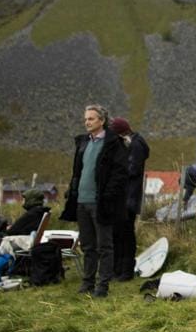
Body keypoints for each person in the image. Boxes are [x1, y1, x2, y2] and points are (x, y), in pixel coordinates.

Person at [60, 104, 130, 297]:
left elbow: (120, 174)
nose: (87, 122)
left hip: (101, 204)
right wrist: (73, 191)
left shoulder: (114, 143)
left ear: (102, 120)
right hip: (82, 201)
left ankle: (102, 286)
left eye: (91, 119)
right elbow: (78, 171)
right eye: (85, 119)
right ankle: (87, 283)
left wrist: (107, 197)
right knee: (88, 246)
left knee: (104, 246)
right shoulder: (83, 142)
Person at [109, 117, 150, 281]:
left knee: (125, 235)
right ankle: (117, 269)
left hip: (128, 199)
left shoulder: (136, 145)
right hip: (122, 198)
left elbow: (132, 170)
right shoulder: (131, 144)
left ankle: (125, 271)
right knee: (117, 234)